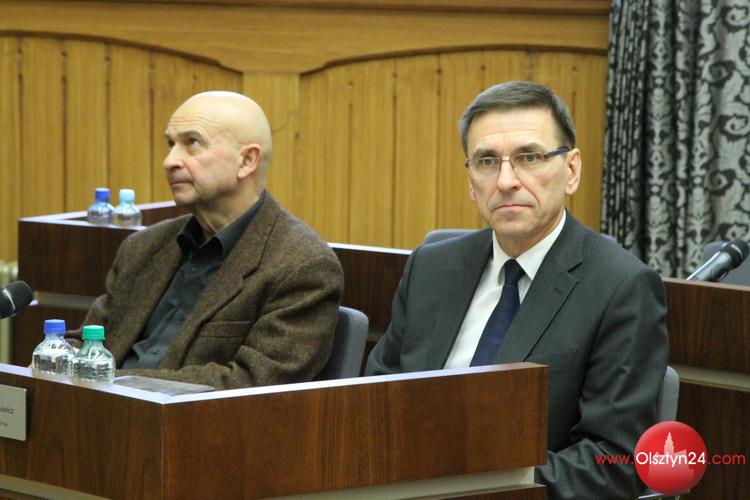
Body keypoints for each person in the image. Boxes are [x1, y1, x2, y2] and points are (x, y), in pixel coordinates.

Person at [365, 81, 668, 498]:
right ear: (471, 181)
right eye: (487, 161)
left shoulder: (621, 286)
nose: (506, 180)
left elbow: (613, 459)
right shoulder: (431, 268)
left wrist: (481, 483)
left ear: (571, 171)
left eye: (529, 157)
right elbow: (375, 402)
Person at [79, 91, 344, 390]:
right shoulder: (143, 247)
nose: (169, 161)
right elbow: (90, 341)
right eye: (170, 144)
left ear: (247, 160)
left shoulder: (301, 265)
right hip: (98, 408)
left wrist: (110, 381)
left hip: (193, 418)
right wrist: (60, 360)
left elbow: (252, 382)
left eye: (192, 143)